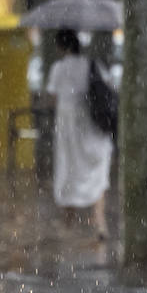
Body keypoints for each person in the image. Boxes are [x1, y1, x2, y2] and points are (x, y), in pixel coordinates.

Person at [44, 29, 114, 243]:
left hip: (68, 128)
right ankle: (100, 223)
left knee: (69, 170)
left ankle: (68, 225)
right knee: (97, 171)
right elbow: (108, 88)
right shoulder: (92, 65)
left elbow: (52, 99)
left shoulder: (58, 68)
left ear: (61, 47)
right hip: (92, 125)